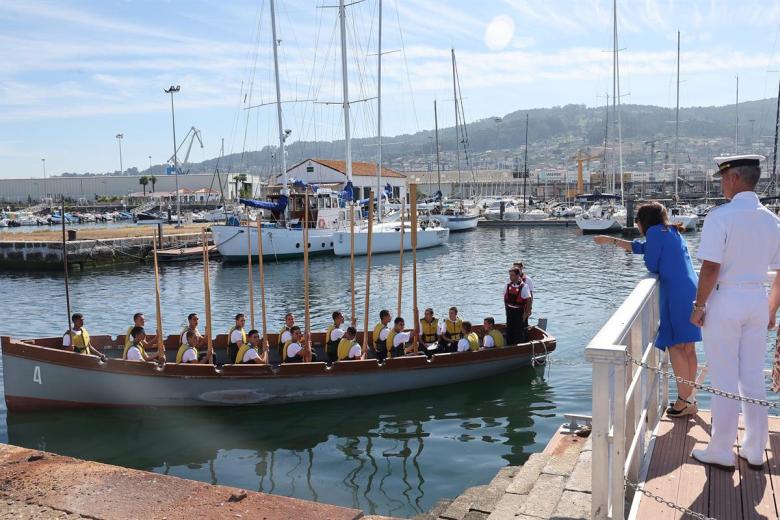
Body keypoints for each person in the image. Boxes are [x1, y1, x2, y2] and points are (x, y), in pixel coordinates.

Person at [688, 154, 780, 470]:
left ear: (734, 179)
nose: (722, 184)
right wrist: (772, 308)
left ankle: (721, 450)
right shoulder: (772, 219)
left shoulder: (720, 217)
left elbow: (711, 267)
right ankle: (755, 450)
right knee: (752, 376)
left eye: (723, 178)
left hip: (726, 300)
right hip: (757, 301)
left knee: (725, 377)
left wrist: (699, 306)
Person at [594, 201, 702, 417]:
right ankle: (690, 398)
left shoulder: (654, 233)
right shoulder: (671, 231)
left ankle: (682, 400)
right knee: (688, 348)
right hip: (691, 289)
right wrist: (612, 241)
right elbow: (643, 248)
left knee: (675, 347)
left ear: (644, 221)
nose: (637, 226)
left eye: (637, 221)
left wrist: (613, 242)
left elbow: (652, 264)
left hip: (674, 292)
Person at [504, 269, 531, 345]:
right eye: (510, 275)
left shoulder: (524, 286)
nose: (510, 277)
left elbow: (529, 300)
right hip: (510, 311)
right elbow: (505, 298)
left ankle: (518, 347)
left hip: (519, 312)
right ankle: (509, 347)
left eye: (512, 275)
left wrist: (526, 313)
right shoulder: (507, 285)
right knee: (509, 330)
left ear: (518, 275)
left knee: (518, 331)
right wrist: (506, 310)